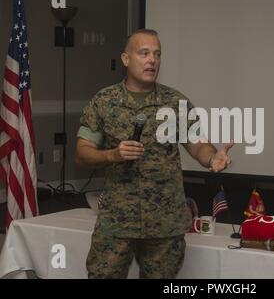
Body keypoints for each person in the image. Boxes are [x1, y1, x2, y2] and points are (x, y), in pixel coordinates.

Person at [75, 29, 233, 279]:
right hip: (117, 220)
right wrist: (112, 155)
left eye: (157, 54)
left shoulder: (174, 102)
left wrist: (213, 158)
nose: (152, 60)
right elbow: (82, 153)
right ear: (126, 59)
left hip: (164, 222)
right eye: (144, 53)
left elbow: (198, 145)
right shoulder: (104, 101)